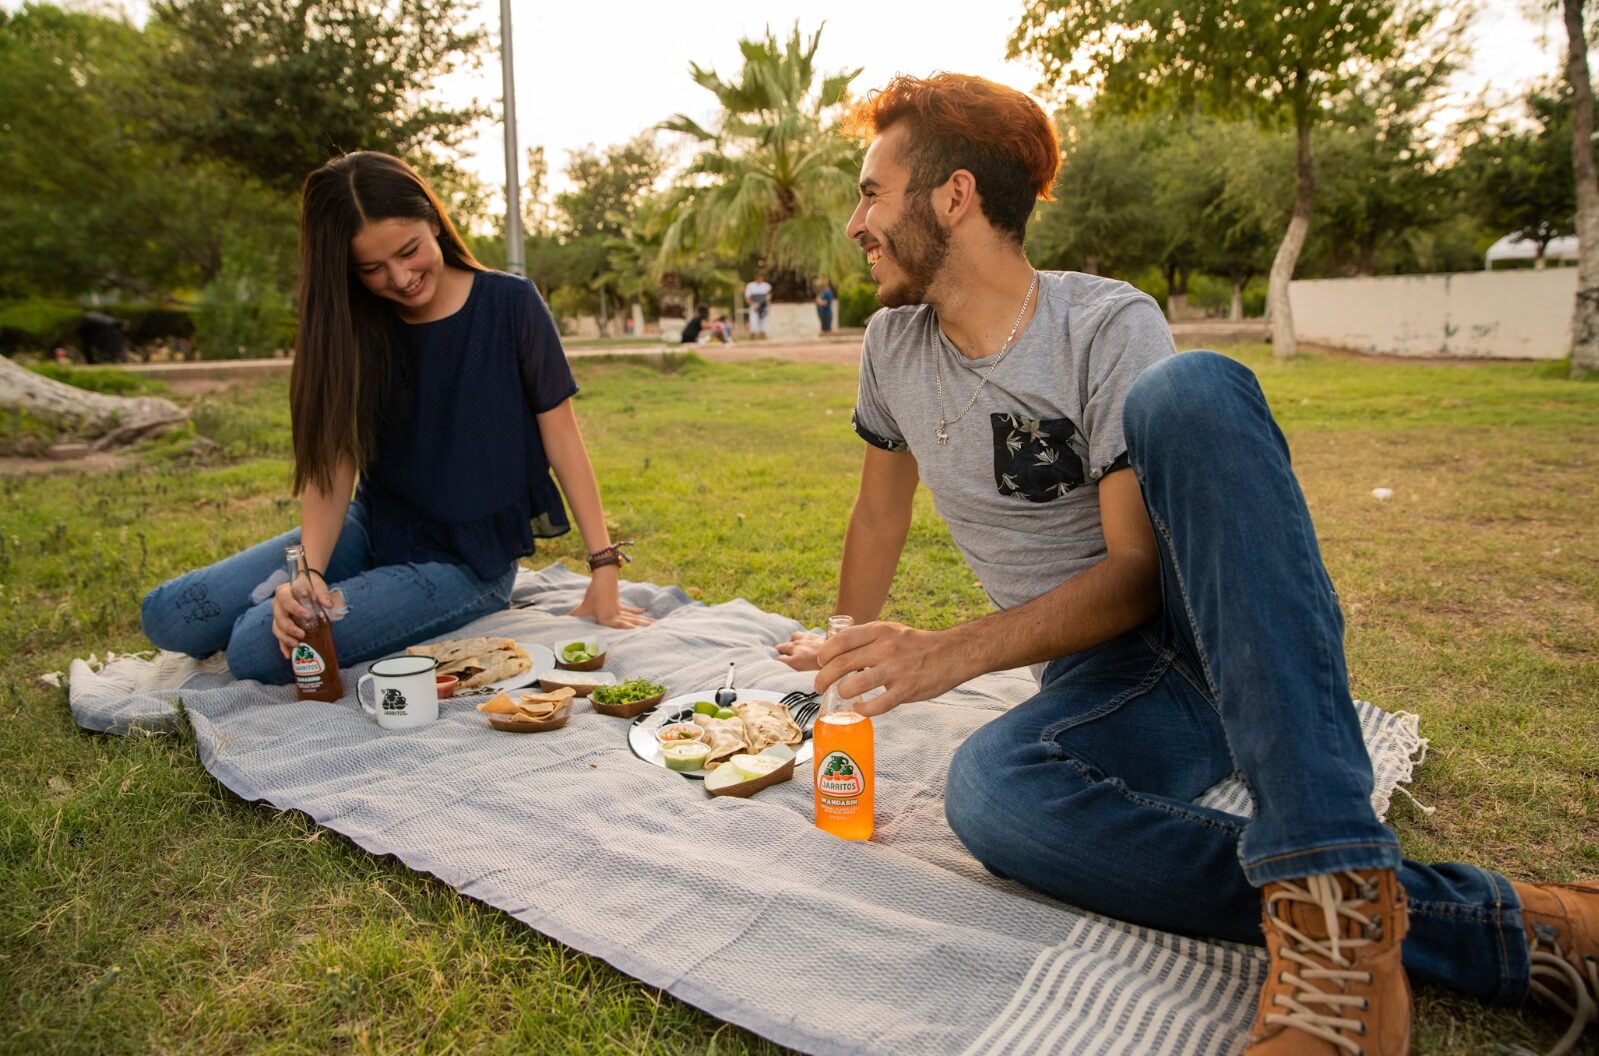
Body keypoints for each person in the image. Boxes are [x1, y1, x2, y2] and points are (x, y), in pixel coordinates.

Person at [776, 73, 1597, 1056]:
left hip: (1193, 651)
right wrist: (839, 659)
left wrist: (948, 655)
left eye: (873, 190)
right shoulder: (890, 348)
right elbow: (878, 514)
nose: (857, 221)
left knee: (1194, 390)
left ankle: (1337, 927)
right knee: (994, 792)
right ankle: (1489, 922)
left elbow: (1135, 573)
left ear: (953, 197)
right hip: (1093, 684)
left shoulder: (1104, 325)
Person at [140, 151, 651, 686]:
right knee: (169, 616)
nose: (401, 277)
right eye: (372, 269)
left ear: (433, 220)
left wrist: (604, 569)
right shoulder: (352, 329)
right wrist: (310, 573)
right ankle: (353, 584)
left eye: (409, 251)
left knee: (252, 649)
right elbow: (333, 463)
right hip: (372, 528)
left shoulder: (510, 304)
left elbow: (563, 441)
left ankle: (359, 596)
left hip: (466, 563)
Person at [744, 274, 771, 338]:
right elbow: (747, 297)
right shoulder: (750, 285)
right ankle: (753, 334)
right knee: (753, 319)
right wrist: (753, 304)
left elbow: (768, 296)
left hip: (763, 305)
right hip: (754, 305)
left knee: (764, 319)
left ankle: (763, 333)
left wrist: (765, 303)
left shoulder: (766, 286)